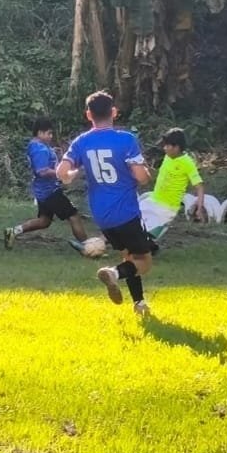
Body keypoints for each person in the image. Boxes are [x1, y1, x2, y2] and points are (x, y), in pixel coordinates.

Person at [56, 91, 157, 316]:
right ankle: (114, 273)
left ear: (88, 114)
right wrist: (145, 172)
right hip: (126, 212)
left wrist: (74, 173)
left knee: (129, 255)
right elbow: (141, 177)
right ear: (114, 112)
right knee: (144, 261)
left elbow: (62, 173)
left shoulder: (81, 142)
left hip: (102, 215)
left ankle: (139, 303)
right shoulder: (126, 140)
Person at [4, 117, 88, 252]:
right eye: (49, 133)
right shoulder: (40, 149)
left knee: (44, 221)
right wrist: (61, 174)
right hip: (49, 191)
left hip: (42, 190)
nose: (51, 136)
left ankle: (13, 231)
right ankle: (87, 246)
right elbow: (42, 171)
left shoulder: (36, 146)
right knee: (73, 216)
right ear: (40, 133)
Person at [140, 127, 206, 241]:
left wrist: (199, 209)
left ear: (176, 147)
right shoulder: (168, 157)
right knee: (129, 225)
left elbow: (199, 187)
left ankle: (151, 243)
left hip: (167, 208)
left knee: (146, 242)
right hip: (153, 201)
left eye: (167, 146)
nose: (164, 148)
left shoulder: (187, 163)